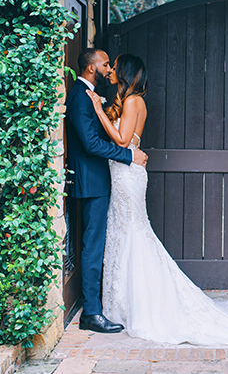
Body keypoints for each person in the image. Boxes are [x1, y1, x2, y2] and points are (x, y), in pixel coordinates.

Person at [86, 53, 228, 345]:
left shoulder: (132, 101)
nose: (111, 70)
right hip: (124, 175)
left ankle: (143, 304)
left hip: (128, 177)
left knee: (133, 234)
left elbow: (123, 141)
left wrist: (99, 111)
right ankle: (122, 303)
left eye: (115, 66)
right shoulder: (128, 100)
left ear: (125, 73)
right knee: (123, 234)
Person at [65, 48, 148, 334]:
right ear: (92, 69)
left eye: (112, 66)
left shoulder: (94, 96)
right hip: (92, 181)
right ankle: (92, 313)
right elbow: (90, 144)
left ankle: (97, 308)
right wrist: (127, 156)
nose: (108, 69)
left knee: (99, 244)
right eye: (104, 65)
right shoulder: (79, 97)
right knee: (93, 246)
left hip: (102, 180)